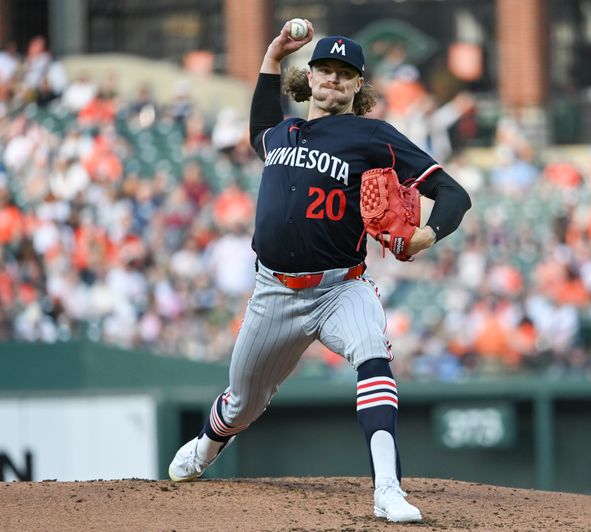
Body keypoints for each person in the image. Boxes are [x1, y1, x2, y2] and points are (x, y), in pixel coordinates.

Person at [167, 19, 471, 525]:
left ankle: (388, 489)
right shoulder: (281, 133)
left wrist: (427, 233)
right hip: (273, 293)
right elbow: (257, 126)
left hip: (340, 288)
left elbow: (454, 193)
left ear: (358, 86)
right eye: (324, 69)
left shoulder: (372, 135)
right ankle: (207, 444)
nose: (332, 78)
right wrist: (271, 55)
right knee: (242, 404)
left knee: (373, 354)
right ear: (308, 78)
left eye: (344, 72)